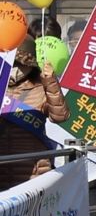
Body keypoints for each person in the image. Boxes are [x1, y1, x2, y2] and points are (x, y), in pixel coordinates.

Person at [0, 36, 70, 190]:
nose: (14, 69)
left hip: (33, 172)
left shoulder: (40, 87)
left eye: (19, 64)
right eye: (11, 63)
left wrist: (51, 82)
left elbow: (60, 116)